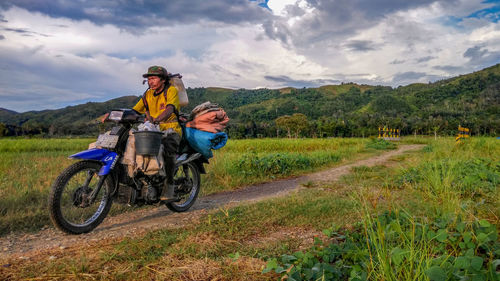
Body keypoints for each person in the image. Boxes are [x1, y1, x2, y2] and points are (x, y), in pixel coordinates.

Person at [132, 66, 181, 201]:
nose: (150, 82)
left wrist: (157, 119)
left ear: (163, 80)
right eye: (148, 79)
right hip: (152, 130)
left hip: (170, 129)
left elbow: (170, 108)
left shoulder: (171, 91)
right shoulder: (147, 95)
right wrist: (118, 115)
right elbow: (136, 110)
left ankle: (169, 185)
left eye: (153, 78)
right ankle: (146, 182)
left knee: (168, 150)